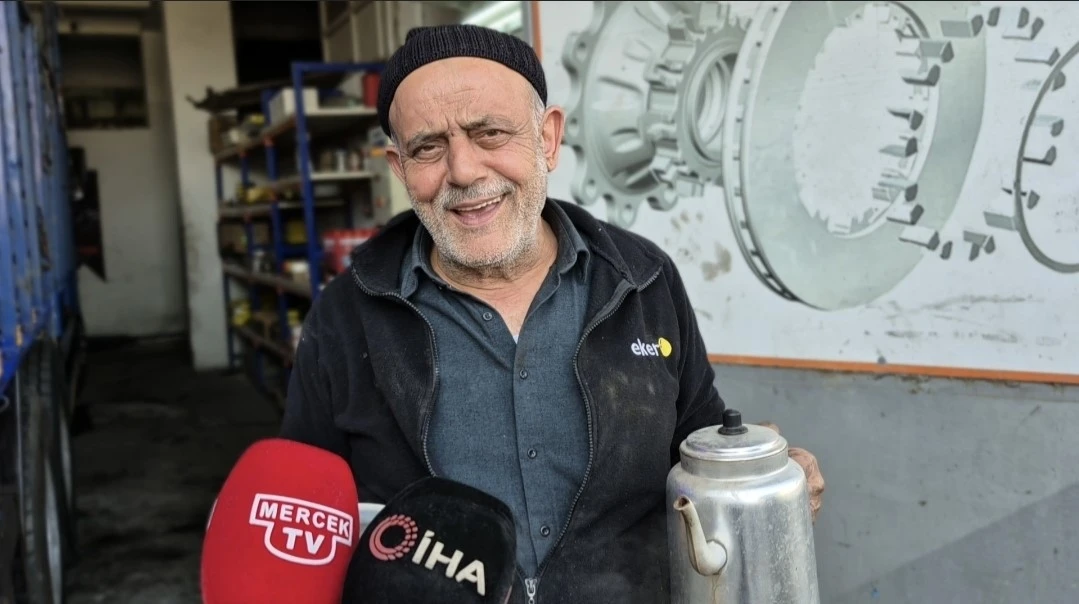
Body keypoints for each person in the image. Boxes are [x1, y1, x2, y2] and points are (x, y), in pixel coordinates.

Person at [280, 24, 825, 604]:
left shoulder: (642, 281)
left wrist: (750, 476)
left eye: (490, 133)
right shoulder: (346, 316)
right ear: (398, 166)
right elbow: (302, 519)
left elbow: (694, 443)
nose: (463, 171)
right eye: (428, 148)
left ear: (548, 138)